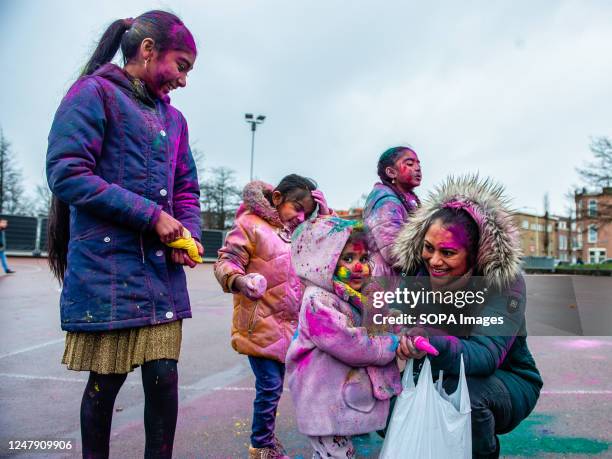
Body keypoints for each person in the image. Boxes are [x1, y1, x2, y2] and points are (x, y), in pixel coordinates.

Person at [45, 11, 201, 458]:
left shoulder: (175, 121)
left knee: (164, 378)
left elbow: (186, 186)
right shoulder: (93, 93)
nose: (184, 80)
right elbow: (67, 172)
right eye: (182, 65)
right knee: (105, 383)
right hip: (108, 270)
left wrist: (186, 234)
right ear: (148, 50)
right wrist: (152, 217)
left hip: (159, 276)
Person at [392, 175, 543, 458]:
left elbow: (486, 355)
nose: (434, 260)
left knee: (465, 398)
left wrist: (432, 339)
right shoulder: (416, 274)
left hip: (505, 378)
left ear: (474, 255)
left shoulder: (504, 284)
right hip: (436, 370)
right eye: (428, 247)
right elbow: (393, 318)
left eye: (448, 252)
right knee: (389, 396)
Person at [214, 175, 331, 459]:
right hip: (262, 324)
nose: (300, 216)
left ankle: (319, 435)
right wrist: (240, 281)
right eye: (296, 208)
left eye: (307, 211)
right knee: (269, 386)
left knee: (303, 383)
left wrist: (325, 217)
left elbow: (333, 252)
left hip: (295, 327)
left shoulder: (304, 230)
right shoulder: (250, 225)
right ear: (277, 198)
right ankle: (262, 446)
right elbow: (226, 260)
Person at [286, 217, 415, 458]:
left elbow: (377, 321)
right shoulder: (318, 301)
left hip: (336, 397)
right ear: (328, 262)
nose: (358, 266)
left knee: (331, 454)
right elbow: (353, 344)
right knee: (338, 454)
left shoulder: (353, 294)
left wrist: (397, 324)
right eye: (348, 259)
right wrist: (391, 344)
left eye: (364, 259)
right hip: (322, 398)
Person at [363, 146, 422, 277]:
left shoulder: (407, 197)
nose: (417, 168)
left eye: (418, 164)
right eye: (410, 164)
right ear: (391, 172)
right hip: (386, 281)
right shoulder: (386, 202)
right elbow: (393, 253)